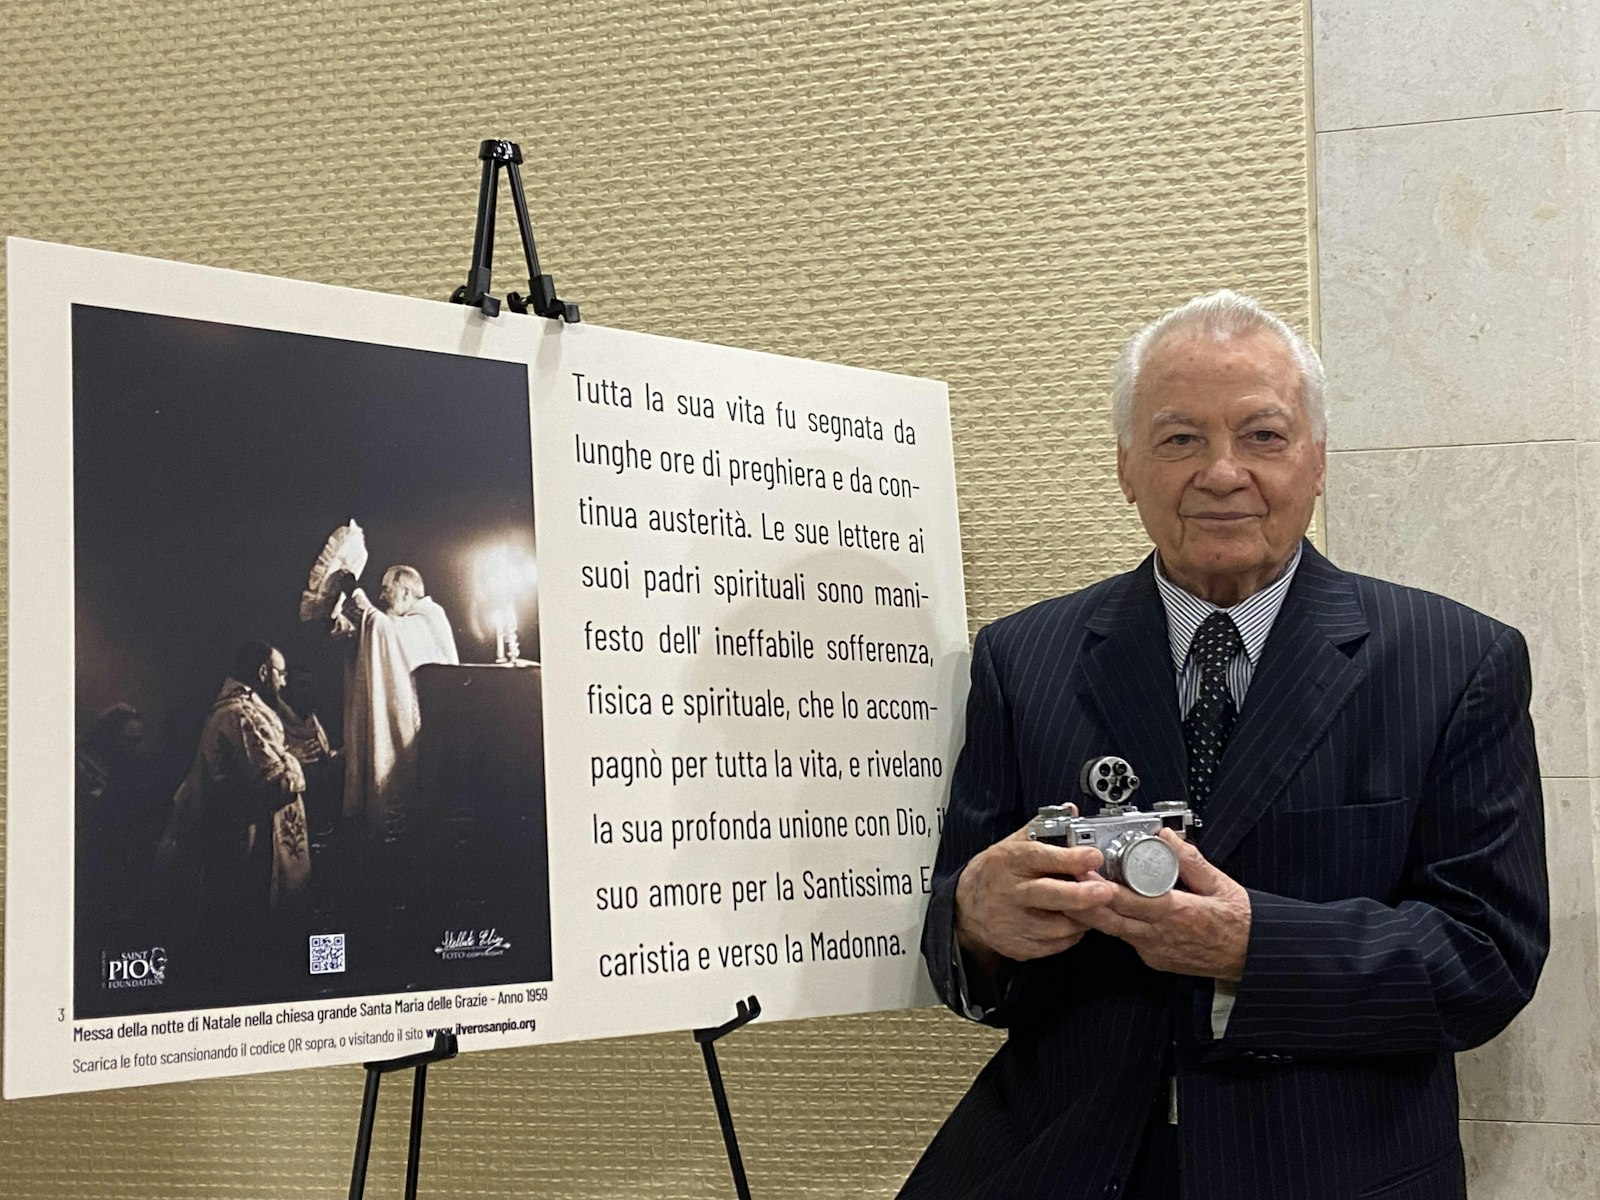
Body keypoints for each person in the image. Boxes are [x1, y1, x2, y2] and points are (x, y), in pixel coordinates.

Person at [899, 291, 1549, 1200]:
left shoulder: (1456, 661)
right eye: (1179, 439)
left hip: (1329, 1169)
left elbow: (1488, 956)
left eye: (1264, 436)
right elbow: (952, 924)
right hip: (1064, 1159)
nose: (1222, 472)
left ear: (1318, 461)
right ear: (1127, 467)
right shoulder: (1023, 656)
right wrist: (975, 921)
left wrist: (1255, 946)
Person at [157, 642, 310, 992]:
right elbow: (277, 782)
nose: (283, 683)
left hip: (246, 841)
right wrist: (296, 759)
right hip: (244, 849)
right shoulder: (239, 715)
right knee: (248, 948)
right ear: (262, 673)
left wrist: (288, 756)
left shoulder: (245, 712)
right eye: (281, 673)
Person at [338, 564, 457, 844]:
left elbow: (385, 632)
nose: (381, 595)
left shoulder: (428, 617)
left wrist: (355, 593)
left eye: (386, 588)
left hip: (419, 727)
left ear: (406, 590)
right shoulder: (412, 620)